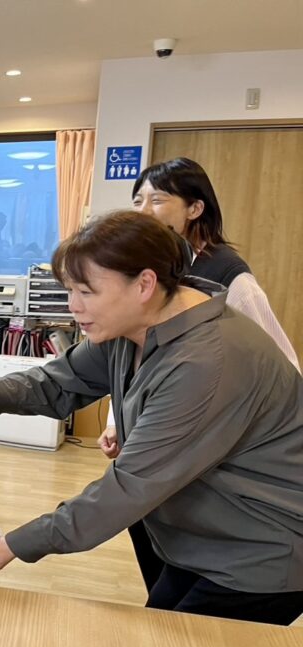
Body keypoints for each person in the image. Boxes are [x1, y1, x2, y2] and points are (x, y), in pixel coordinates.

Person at [0, 211, 303, 627]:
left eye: (86, 291)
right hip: (203, 535)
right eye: (69, 290)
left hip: (262, 551)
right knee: (158, 640)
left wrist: (19, 543)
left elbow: (127, 489)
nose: (73, 306)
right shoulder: (132, 329)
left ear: (144, 284)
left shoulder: (206, 362)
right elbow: (60, 380)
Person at [98, 157, 300, 589]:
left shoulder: (229, 276)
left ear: (195, 208)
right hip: (159, 459)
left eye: (157, 199)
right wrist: (118, 419)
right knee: (155, 550)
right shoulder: (148, 271)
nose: (144, 210)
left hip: (216, 474)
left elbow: (282, 366)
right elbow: (133, 357)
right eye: (137, 200)